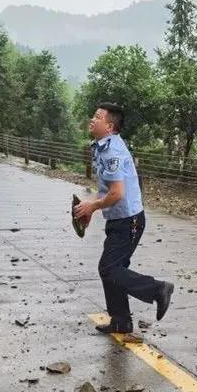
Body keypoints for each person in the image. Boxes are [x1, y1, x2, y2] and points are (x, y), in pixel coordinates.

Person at [73, 102, 175, 334]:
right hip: (120, 219)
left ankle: (158, 289)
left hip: (129, 221)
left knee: (109, 269)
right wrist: (91, 210)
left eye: (97, 117)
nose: (92, 119)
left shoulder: (112, 151)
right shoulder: (102, 146)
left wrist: (93, 206)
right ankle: (121, 321)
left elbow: (117, 193)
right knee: (112, 268)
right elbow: (107, 187)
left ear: (109, 126)